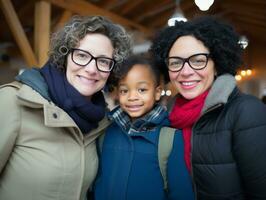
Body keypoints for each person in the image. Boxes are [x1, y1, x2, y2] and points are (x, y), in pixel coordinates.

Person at [0, 15, 131, 200]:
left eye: (103, 61)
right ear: (65, 56)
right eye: (82, 55)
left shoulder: (101, 121)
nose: (91, 69)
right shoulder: (13, 101)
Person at [150, 16, 266, 199]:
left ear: (217, 65)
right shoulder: (168, 117)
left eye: (197, 60)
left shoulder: (247, 112)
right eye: (175, 62)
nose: (186, 72)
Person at [93, 56, 194, 200]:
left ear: (157, 92)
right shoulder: (107, 131)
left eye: (142, 89)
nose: (132, 97)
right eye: (124, 91)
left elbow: (181, 193)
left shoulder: (170, 139)